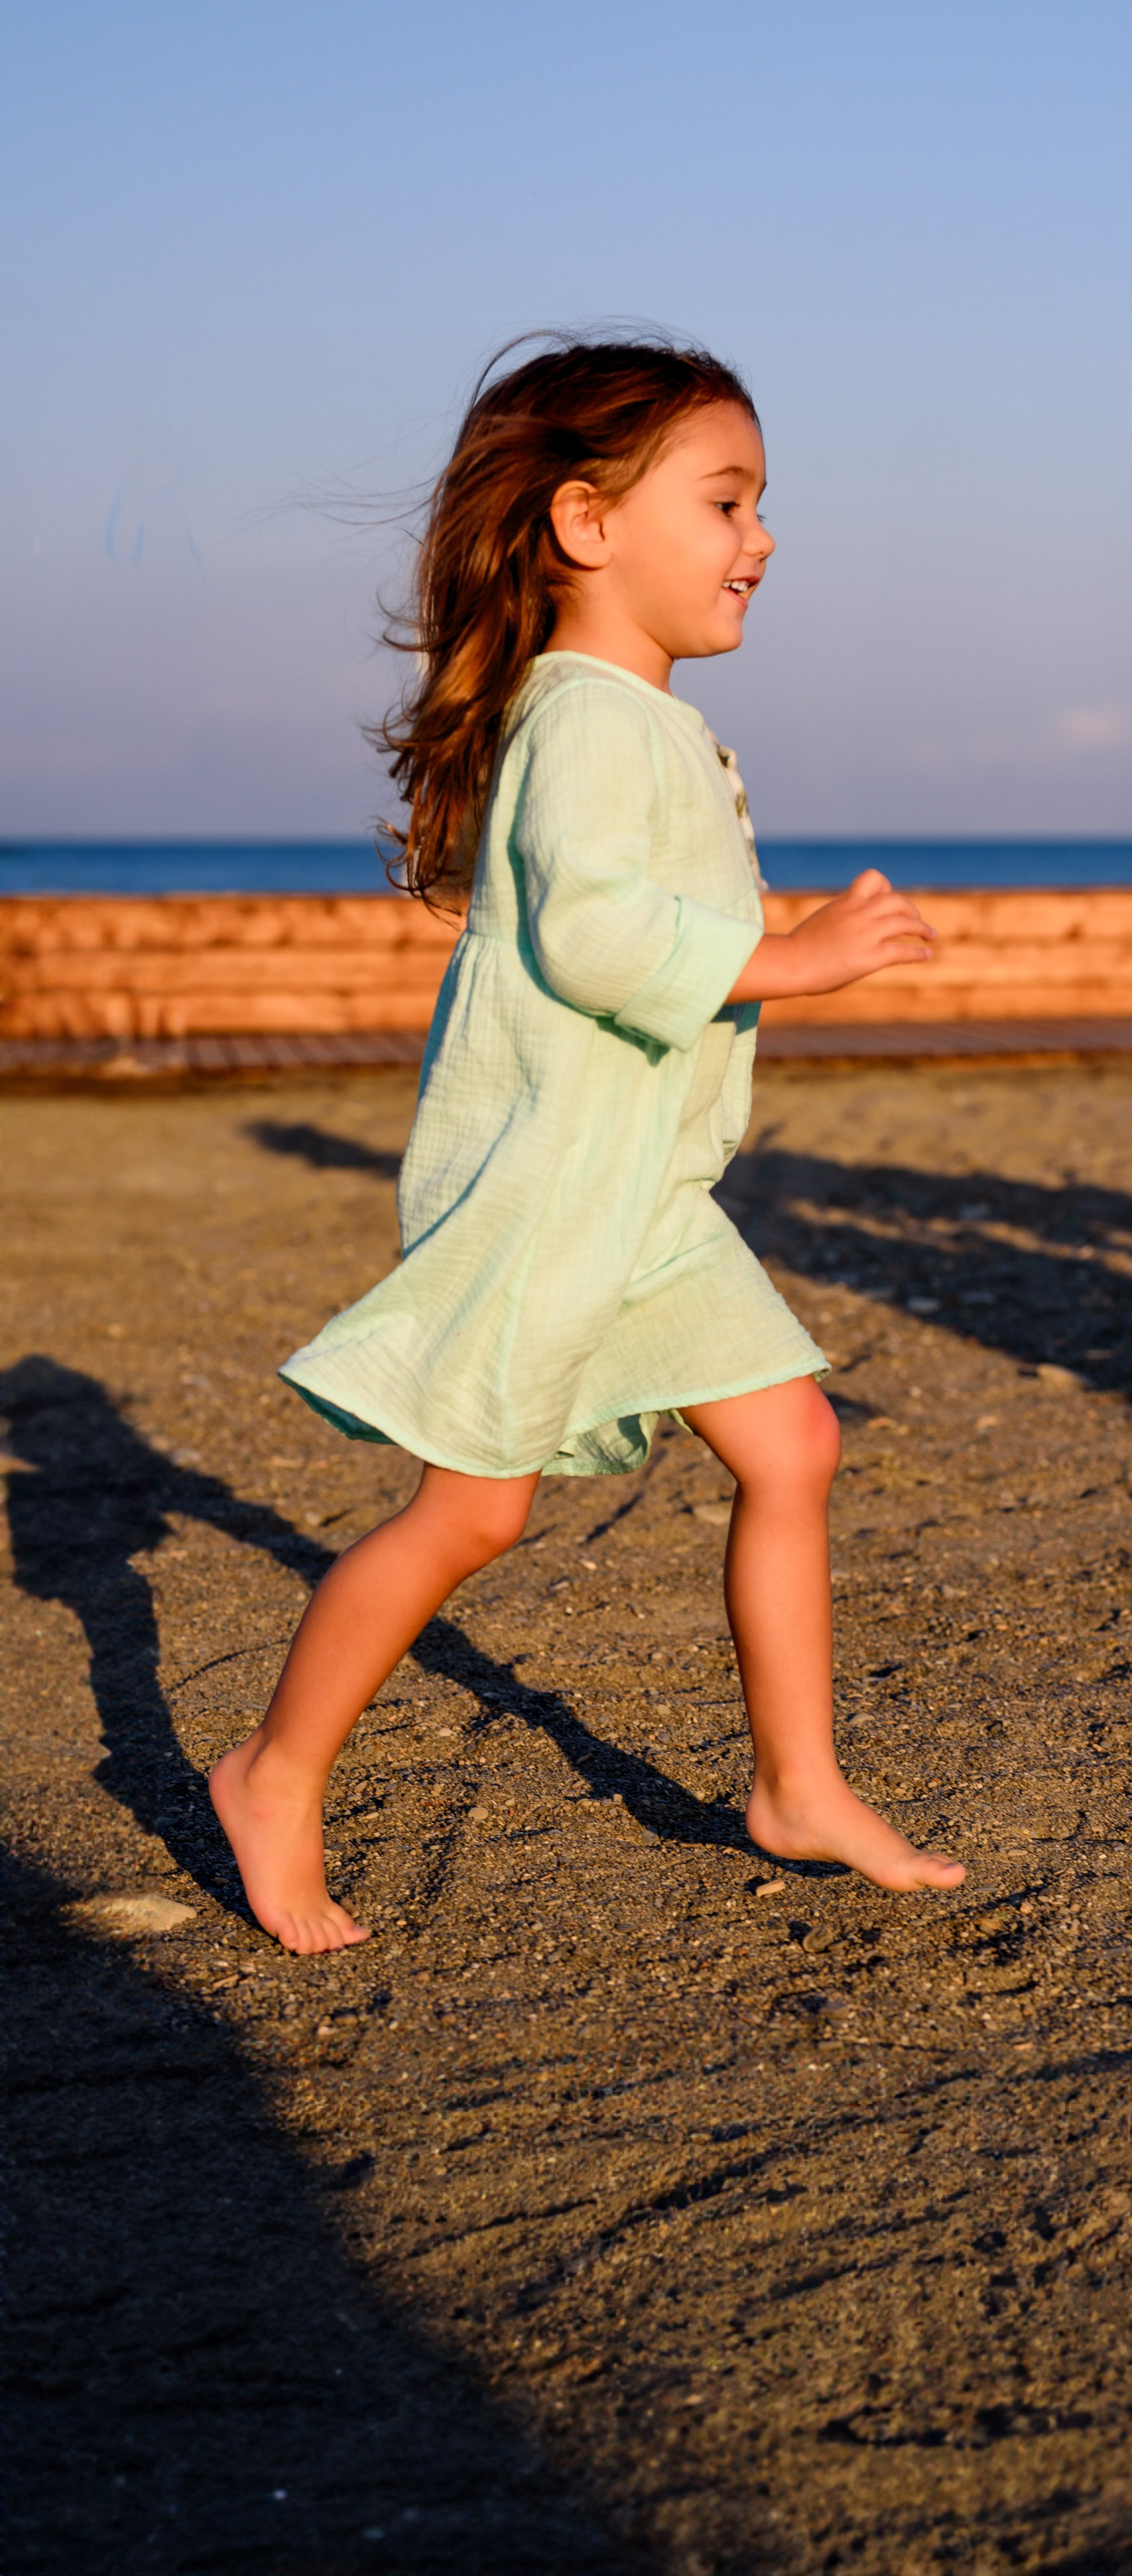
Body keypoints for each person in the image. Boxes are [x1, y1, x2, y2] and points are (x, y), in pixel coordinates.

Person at [211, 333, 966, 1954]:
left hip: (648, 1195)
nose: (762, 537)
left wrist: (784, 937)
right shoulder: (586, 720)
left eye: (760, 504)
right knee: (473, 1515)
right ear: (585, 522)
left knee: (793, 1445)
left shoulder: (640, 722)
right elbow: (600, 937)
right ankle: (272, 1772)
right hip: (555, 1191)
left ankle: (799, 1784)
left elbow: (627, 909)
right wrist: (796, 959)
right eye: (726, 500)